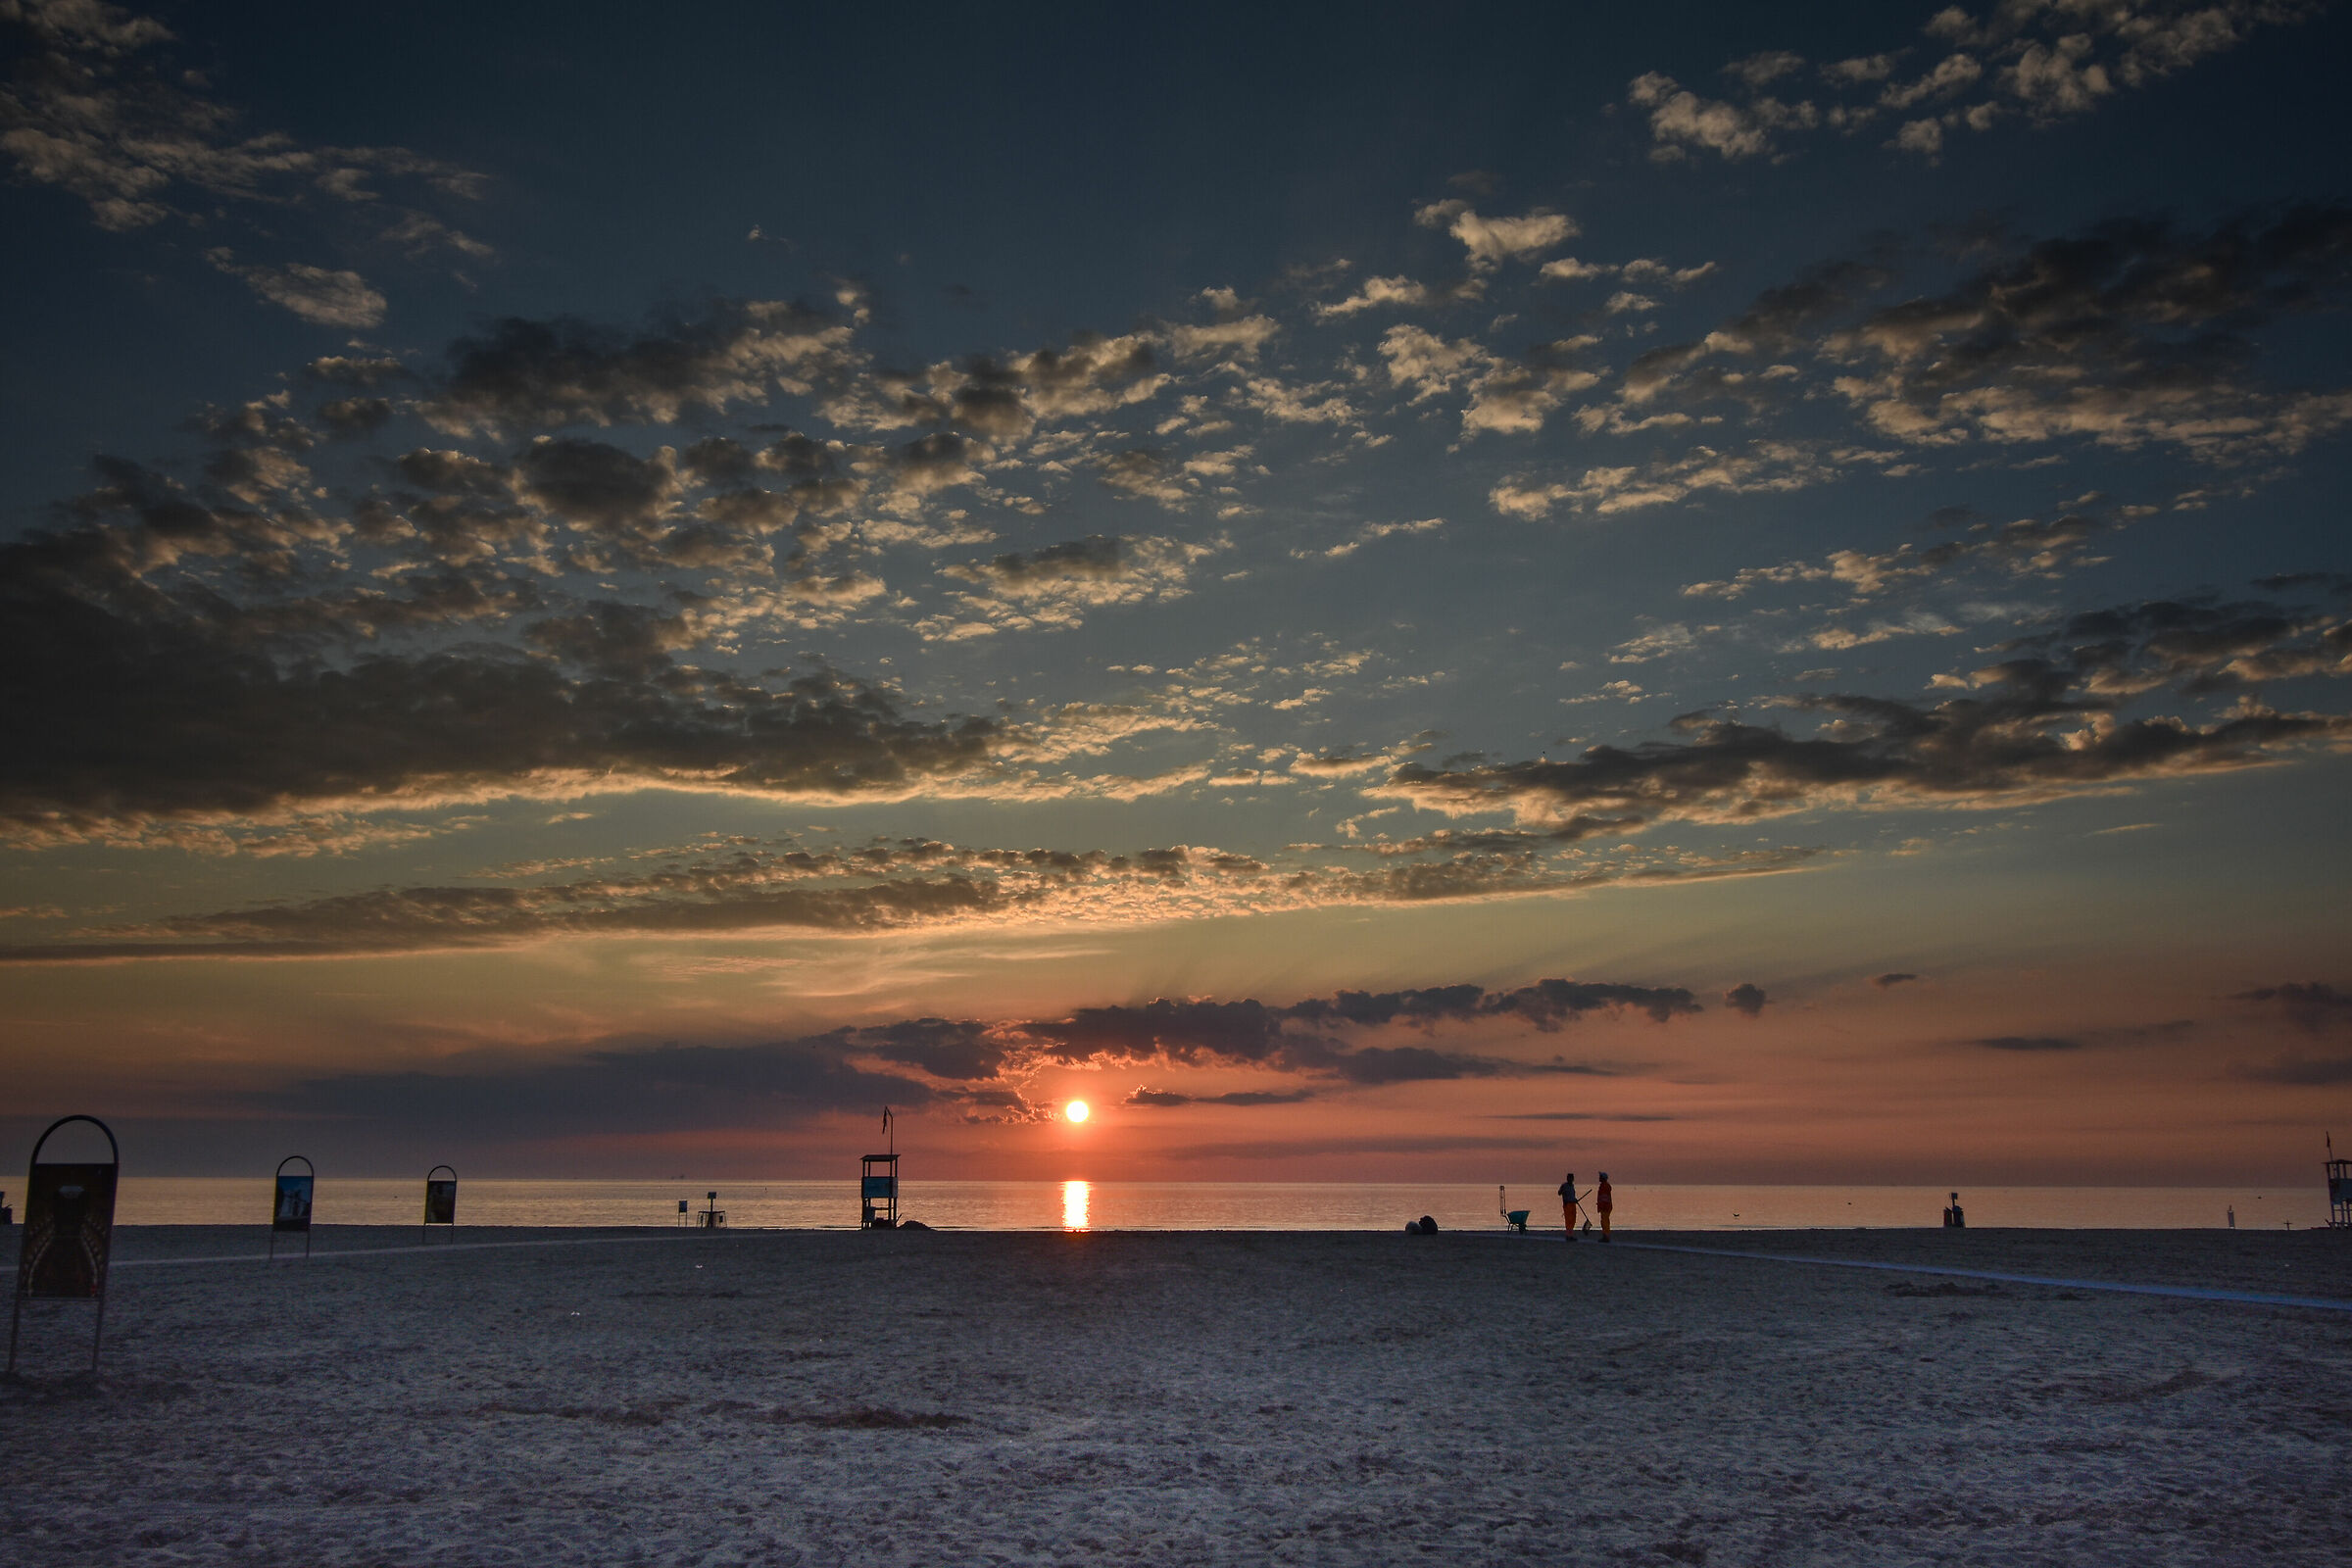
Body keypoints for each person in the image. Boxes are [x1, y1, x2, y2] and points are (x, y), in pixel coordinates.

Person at [1557, 1172, 1581, 1241]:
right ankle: (1568, 1235)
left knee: (1573, 1221)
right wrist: (1562, 1191)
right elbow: (1559, 1193)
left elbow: (1572, 1196)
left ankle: (1570, 1234)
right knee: (1568, 1220)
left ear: (1572, 1179)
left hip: (1573, 1204)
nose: (1569, 1179)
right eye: (1568, 1178)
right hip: (1567, 1205)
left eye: (1571, 1178)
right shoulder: (1564, 1185)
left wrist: (1575, 1200)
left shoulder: (1572, 1186)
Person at [1594, 1172, 1613, 1243]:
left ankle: (1606, 1236)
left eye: (1600, 1176)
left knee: (1605, 1222)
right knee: (1604, 1222)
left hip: (1605, 1207)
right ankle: (1605, 1236)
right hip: (1605, 1206)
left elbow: (1604, 1198)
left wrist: (1601, 1205)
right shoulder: (1604, 1186)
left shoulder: (1604, 1186)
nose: (1599, 1178)